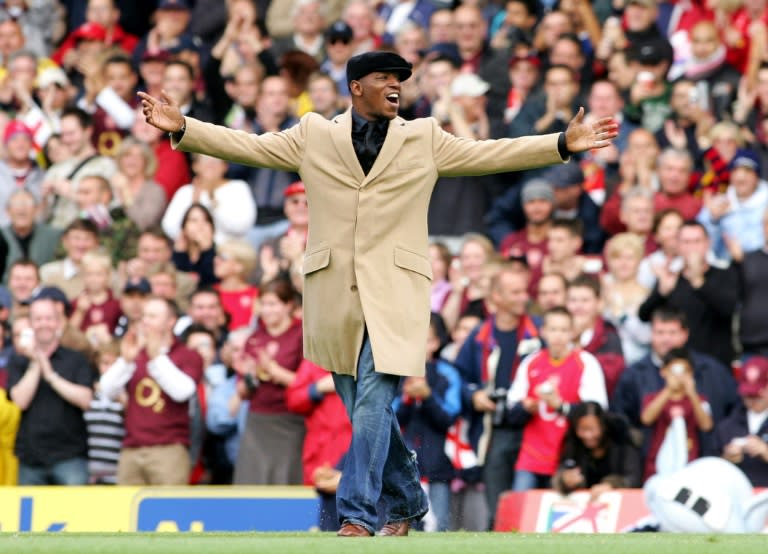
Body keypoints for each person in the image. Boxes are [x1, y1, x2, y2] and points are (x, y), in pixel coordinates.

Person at [139, 49, 617, 537]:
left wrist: (560, 142)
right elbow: (250, 146)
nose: (396, 85)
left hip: (397, 294)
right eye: (384, 77)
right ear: (355, 86)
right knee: (363, 408)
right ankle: (409, 500)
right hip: (334, 296)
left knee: (370, 401)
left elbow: (488, 153)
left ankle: (358, 514)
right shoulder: (313, 135)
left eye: (400, 79)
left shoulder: (425, 137)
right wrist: (185, 127)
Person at [99, 296, 203, 485]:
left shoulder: (187, 355)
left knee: (169, 510)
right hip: (131, 448)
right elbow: (106, 390)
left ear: (171, 321)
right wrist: (126, 361)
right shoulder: (136, 354)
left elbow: (183, 392)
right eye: (144, 316)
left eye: (153, 316)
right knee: (127, 511)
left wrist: (156, 358)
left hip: (169, 449)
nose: (145, 321)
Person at [506, 306, 608, 491]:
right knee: (523, 510)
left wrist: (561, 406)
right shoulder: (531, 362)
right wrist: (526, 408)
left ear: (572, 332)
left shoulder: (586, 363)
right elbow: (512, 406)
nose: (558, 336)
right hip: (531, 455)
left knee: (561, 513)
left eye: (563, 330)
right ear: (543, 332)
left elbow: (597, 412)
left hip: (569, 455)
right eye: (553, 329)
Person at [7, 295, 94, 485]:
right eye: (38, 319)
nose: (43, 324)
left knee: (75, 513)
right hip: (31, 457)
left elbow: (86, 400)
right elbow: (20, 401)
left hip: (70, 456)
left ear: (58, 322)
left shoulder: (75, 359)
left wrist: (51, 376)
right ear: (30, 324)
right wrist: (36, 363)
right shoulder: (19, 360)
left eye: (48, 318)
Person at [393, 313, 462, 532]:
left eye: (424, 338)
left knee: (438, 526)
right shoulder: (396, 373)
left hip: (438, 466)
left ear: (435, 343)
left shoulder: (447, 373)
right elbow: (390, 417)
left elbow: (449, 417)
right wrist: (407, 398)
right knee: (405, 527)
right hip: (404, 466)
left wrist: (428, 396)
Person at [233, 279, 304, 486]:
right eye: (263, 304)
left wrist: (273, 370)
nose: (266, 310)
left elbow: (308, 383)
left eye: (272, 304)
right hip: (258, 420)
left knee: (287, 478)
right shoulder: (254, 338)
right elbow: (242, 392)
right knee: (253, 479)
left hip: (291, 422)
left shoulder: (301, 335)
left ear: (288, 305)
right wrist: (249, 376)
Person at [640, 348, 713, 480]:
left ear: (691, 373)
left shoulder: (699, 400)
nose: (679, 376)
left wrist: (692, 393)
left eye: (684, 371)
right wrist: (668, 390)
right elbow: (646, 418)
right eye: (674, 371)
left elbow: (706, 425)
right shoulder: (652, 398)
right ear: (663, 371)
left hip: (690, 463)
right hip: (656, 464)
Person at [553, 401, 642, 496]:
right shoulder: (574, 444)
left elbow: (633, 478)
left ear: (603, 426)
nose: (588, 435)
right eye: (582, 429)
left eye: (592, 429)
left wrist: (611, 485)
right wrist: (565, 480)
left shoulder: (622, 441)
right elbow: (564, 468)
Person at [715, 356, 768, 487]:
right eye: (748, 395)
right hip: (739, 497)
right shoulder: (727, 425)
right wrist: (727, 459)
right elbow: (710, 468)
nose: (753, 400)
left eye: (758, 395)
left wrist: (765, 452)